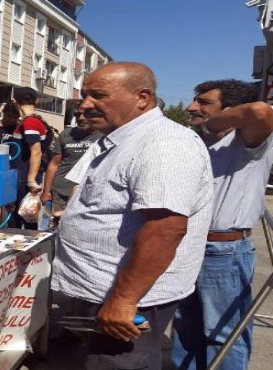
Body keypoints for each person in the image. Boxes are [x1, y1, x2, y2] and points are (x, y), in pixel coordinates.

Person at [52, 62, 213, 369]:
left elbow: (166, 229)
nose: (86, 104)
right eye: (85, 95)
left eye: (98, 95)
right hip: (109, 288)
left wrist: (124, 300)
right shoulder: (117, 139)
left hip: (133, 295)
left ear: (142, 97)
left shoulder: (164, 144)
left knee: (116, 363)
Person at [171, 80, 273, 370]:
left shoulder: (248, 140)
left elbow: (259, 111)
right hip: (187, 245)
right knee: (184, 326)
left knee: (223, 332)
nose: (193, 107)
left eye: (204, 102)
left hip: (222, 250)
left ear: (229, 109)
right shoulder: (198, 143)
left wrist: (212, 123)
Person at [40, 110, 103, 213]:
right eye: (77, 114)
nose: (81, 118)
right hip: (61, 191)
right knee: (57, 225)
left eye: (86, 114)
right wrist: (46, 191)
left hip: (88, 193)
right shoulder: (66, 135)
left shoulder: (103, 136)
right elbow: (54, 164)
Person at [11, 86, 55, 229]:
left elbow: (36, 152)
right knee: (25, 216)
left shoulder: (30, 122)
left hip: (24, 176)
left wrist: (30, 180)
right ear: (36, 101)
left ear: (14, 101)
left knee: (24, 218)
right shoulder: (35, 120)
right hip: (23, 174)